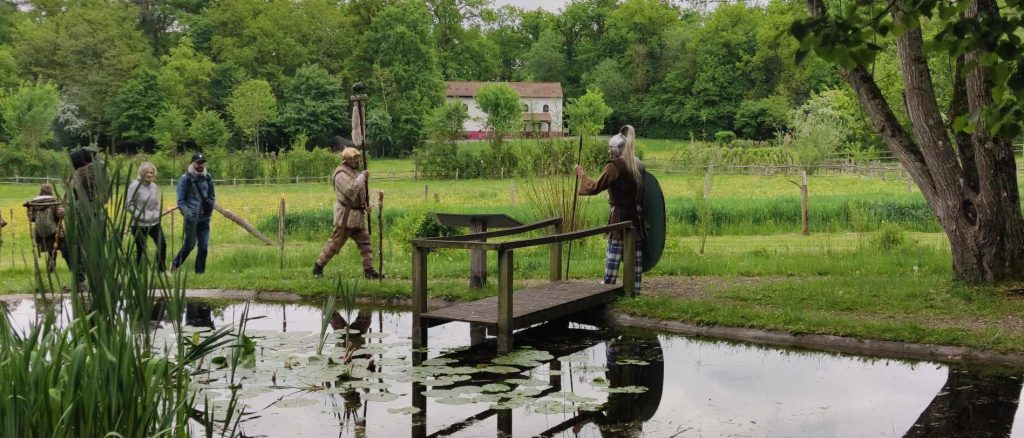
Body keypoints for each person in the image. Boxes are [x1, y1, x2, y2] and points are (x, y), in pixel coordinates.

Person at [574, 125, 646, 290]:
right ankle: (635, 291)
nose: (609, 153)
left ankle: (607, 289)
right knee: (635, 258)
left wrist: (581, 174)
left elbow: (594, 187)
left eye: (610, 149)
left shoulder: (615, 166)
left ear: (615, 149)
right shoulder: (638, 164)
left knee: (613, 257)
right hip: (636, 218)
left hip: (619, 218)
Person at [313, 147, 382, 279]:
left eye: (358, 158)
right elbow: (351, 191)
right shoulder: (340, 174)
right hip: (346, 216)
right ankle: (318, 268)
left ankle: (369, 271)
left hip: (357, 216)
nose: (358, 161)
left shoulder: (354, 172)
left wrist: (365, 204)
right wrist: (363, 176)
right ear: (348, 160)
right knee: (335, 244)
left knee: (365, 244)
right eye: (355, 159)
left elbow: (360, 192)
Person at [170, 152, 215, 274]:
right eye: (198, 162)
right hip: (192, 218)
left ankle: (199, 272)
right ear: (192, 163)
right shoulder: (185, 178)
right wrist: (188, 214)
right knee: (190, 245)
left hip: (204, 217)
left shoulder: (207, 177)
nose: (201, 165)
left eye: (202, 162)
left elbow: (211, 195)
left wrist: (210, 208)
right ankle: (175, 264)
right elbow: (180, 201)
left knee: (204, 246)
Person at [126, 162, 167, 272]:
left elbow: (156, 203)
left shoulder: (154, 186)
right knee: (141, 248)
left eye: (151, 172)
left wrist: (157, 214)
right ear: (141, 173)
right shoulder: (135, 185)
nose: (149, 175)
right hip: (139, 223)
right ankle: (139, 272)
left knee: (162, 244)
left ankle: (161, 270)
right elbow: (128, 204)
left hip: (154, 222)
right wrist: (139, 216)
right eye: (147, 173)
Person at [25, 184, 66, 272]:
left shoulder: (34, 203)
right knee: (61, 245)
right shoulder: (54, 202)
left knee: (51, 247)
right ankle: (53, 266)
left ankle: (50, 266)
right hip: (53, 229)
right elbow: (58, 216)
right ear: (51, 191)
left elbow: (32, 218)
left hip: (39, 232)